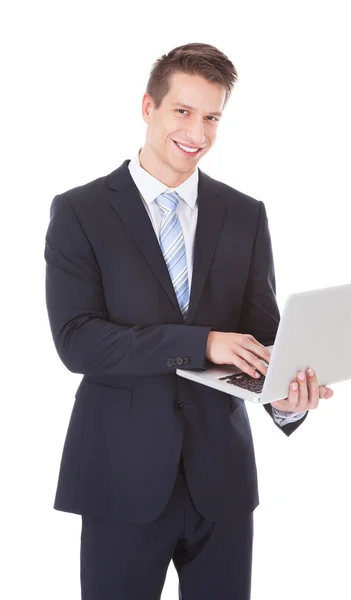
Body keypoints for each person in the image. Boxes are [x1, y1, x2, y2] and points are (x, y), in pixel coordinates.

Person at [44, 42, 334, 600]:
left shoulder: (244, 214)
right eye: (183, 111)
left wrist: (282, 395)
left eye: (212, 117)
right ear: (148, 106)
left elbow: (259, 337)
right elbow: (78, 341)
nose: (197, 133)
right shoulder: (80, 212)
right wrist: (203, 343)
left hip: (220, 483)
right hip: (121, 479)